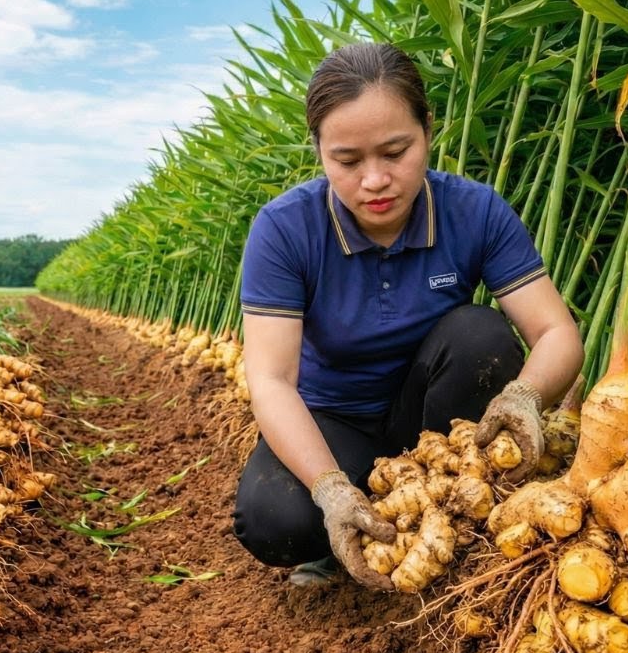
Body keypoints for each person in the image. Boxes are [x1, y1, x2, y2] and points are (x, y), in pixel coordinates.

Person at [231, 42, 583, 590]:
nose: (374, 180)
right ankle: (342, 528)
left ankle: (456, 524)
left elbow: (556, 331)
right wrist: (327, 488)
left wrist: (526, 396)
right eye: (347, 161)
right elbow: (271, 381)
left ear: (428, 130)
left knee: (480, 333)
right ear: (319, 150)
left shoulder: (474, 210)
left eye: (396, 152)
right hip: (335, 422)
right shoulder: (285, 229)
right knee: (274, 521)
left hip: (438, 419)